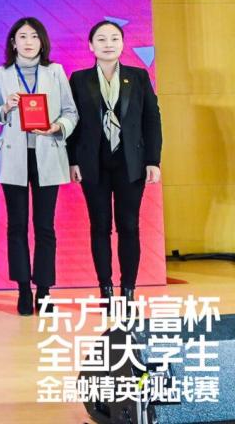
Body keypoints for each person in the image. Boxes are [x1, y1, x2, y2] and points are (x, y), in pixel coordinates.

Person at [67, 20, 162, 302]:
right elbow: (73, 122)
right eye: (101, 39)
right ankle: (106, 289)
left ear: (122, 44)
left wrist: (153, 160)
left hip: (131, 163)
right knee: (100, 226)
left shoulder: (138, 76)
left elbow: (151, 120)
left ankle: (128, 290)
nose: (108, 44)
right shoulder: (79, 79)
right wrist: (72, 160)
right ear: (91, 45)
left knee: (129, 226)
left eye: (114, 38)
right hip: (92, 164)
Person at [0, 18, 78, 316]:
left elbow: (71, 112)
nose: (28, 42)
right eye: (22, 36)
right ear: (13, 43)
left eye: (34, 36)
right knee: (16, 225)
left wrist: (57, 126)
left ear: (42, 42)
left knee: (44, 226)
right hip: (14, 155)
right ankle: (23, 289)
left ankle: (44, 289)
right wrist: (5, 108)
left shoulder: (55, 72)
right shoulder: (0, 74)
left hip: (47, 153)